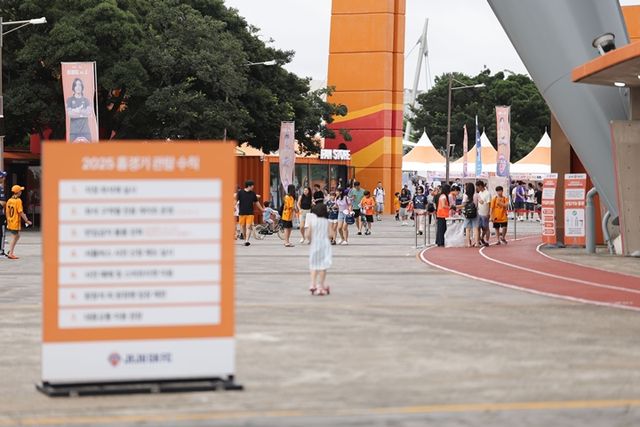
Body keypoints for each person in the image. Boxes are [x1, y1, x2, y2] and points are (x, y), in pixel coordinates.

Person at [306, 203, 332, 296]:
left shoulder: (312, 222)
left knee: (314, 264)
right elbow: (331, 235)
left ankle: (313, 284)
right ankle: (321, 285)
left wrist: (311, 240)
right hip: (325, 245)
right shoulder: (327, 222)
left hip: (315, 244)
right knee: (323, 265)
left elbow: (308, 235)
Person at [5, 185, 32, 259]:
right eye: (20, 191)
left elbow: (7, 211)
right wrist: (27, 220)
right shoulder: (18, 201)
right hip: (15, 222)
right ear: (18, 192)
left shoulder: (9, 200)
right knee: (15, 237)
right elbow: (20, 212)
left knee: (17, 236)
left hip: (10, 221)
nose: (21, 192)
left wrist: (8, 220)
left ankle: (10, 251)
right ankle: (10, 253)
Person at [236, 180, 264, 247]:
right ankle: (245, 238)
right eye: (252, 186)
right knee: (242, 227)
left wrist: (262, 209)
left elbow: (257, 202)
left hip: (250, 213)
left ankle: (247, 241)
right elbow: (236, 200)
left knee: (248, 227)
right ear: (249, 186)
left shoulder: (253, 194)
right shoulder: (240, 193)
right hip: (242, 213)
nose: (253, 187)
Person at [66, 78, 94, 142]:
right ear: (73, 87)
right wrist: (82, 112)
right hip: (74, 132)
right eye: (76, 85)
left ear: (82, 87)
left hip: (85, 131)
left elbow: (89, 113)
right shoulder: (69, 100)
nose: (78, 87)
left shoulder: (86, 100)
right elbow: (70, 114)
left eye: (79, 85)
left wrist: (76, 111)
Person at [459, 182, 479, 247]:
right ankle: (476, 243)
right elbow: (480, 202)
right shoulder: (476, 195)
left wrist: (456, 206)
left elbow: (463, 205)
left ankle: (468, 243)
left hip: (467, 213)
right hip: (475, 213)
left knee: (468, 229)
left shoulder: (465, 195)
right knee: (475, 228)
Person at [476, 181, 491, 246]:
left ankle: (487, 241)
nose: (477, 188)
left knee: (486, 227)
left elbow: (489, 204)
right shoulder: (479, 193)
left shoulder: (487, 193)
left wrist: (488, 213)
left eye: (477, 187)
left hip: (485, 213)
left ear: (480, 186)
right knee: (478, 227)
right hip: (479, 213)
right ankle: (479, 239)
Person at [0, 171, 6, 256]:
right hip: (0, 214)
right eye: (3, 177)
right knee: (2, 233)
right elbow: (3, 202)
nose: (4, 178)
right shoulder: (0, 188)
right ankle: (1, 250)